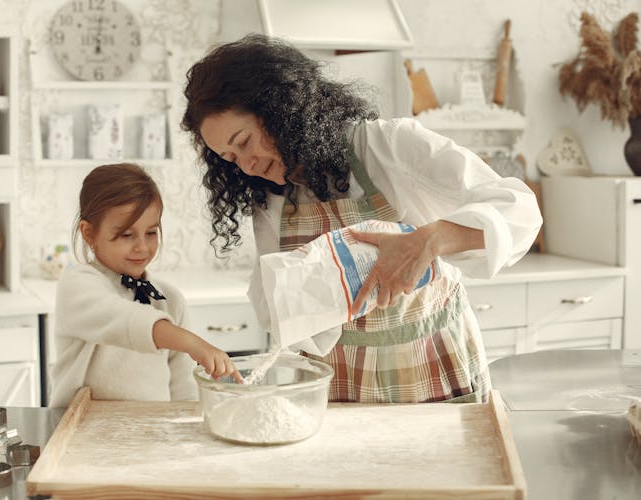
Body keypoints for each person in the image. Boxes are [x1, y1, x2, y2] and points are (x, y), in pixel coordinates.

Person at [181, 34, 543, 404]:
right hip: (341, 383)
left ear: (279, 108)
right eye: (229, 158)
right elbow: (292, 309)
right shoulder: (271, 199)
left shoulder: (387, 145)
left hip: (432, 366)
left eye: (243, 142)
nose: (246, 165)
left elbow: (519, 208)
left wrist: (429, 240)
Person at [49, 163, 241, 407]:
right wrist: (195, 344)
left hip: (149, 432)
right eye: (126, 235)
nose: (142, 247)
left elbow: (182, 387)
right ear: (88, 233)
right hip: (80, 429)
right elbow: (125, 320)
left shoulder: (169, 298)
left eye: (151, 232)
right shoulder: (77, 285)